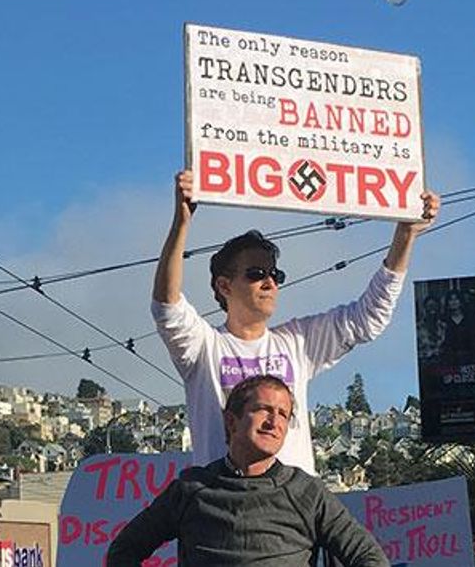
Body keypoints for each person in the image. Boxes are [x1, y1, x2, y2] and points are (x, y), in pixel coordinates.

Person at [153, 170, 439, 474]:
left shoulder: (297, 342)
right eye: (256, 274)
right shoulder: (203, 346)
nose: (269, 282)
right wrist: (181, 222)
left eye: (275, 275)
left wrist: (405, 236)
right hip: (222, 497)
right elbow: (166, 304)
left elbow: (369, 316)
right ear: (224, 286)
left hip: (292, 500)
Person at [106, 375, 388, 567]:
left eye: (283, 414)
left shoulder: (307, 491)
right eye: (264, 409)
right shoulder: (191, 489)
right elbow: (124, 550)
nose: (274, 422)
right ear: (232, 421)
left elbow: (368, 557)